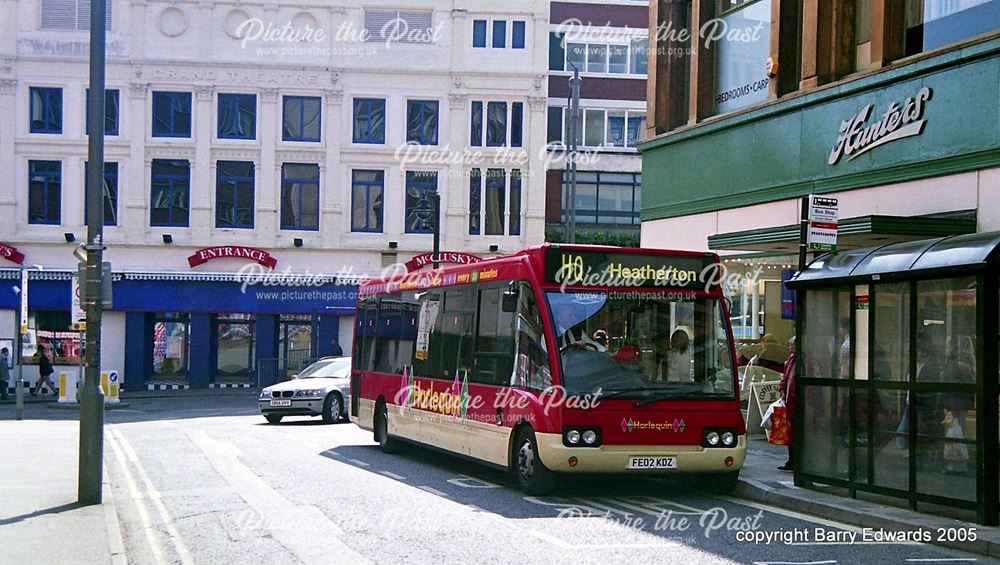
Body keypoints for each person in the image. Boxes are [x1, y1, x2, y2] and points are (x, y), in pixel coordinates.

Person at [777, 336, 796, 471]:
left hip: (796, 401)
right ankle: (791, 460)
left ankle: (795, 461)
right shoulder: (791, 360)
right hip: (789, 400)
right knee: (789, 433)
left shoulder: (802, 360)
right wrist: (782, 388)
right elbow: (786, 376)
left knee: (795, 433)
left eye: (791, 345)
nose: (789, 348)